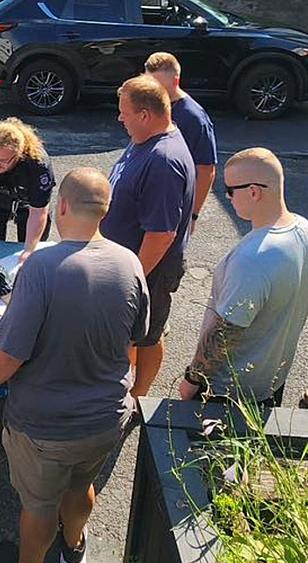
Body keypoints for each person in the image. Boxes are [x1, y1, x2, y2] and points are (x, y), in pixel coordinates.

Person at [0, 169, 149, 563]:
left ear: (62, 208)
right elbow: (137, 336)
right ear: (104, 211)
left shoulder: (42, 268)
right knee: (81, 483)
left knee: (38, 505)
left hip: (45, 424)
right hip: (106, 417)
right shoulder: (129, 262)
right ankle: (73, 551)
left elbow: (9, 353)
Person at [180, 148, 308, 407]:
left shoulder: (253, 258)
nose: (227, 197)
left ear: (253, 192)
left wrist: (193, 378)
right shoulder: (303, 230)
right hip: (271, 382)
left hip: (228, 392)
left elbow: (226, 330)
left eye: (230, 190)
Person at [101, 74, 195, 397]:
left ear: (145, 115)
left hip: (147, 271)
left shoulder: (163, 162)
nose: (119, 117)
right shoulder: (144, 139)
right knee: (134, 332)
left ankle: (136, 398)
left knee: (146, 334)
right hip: (129, 265)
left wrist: (134, 279)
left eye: (124, 112)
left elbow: (161, 233)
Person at [0, 117, 56, 265]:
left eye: (2, 160)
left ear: (18, 155)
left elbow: (38, 211)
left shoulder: (38, 164)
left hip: (28, 206)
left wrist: (29, 251)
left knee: (29, 257)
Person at [145, 52, 217, 232]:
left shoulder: (194, 118)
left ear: (175, 81)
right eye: (149, 83)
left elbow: (206, 170)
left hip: (174, 208)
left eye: (158, 85)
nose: (153, 91)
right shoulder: (151, 105)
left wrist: (192, 215)